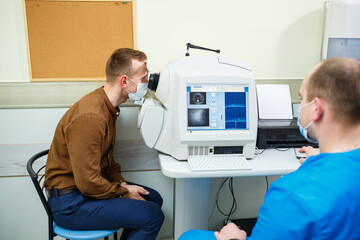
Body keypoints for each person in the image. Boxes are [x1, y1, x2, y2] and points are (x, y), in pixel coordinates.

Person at [182, 57, 360, 240]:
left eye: (302, 98)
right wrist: (324, 157)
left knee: (189, 236)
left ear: (316, 108)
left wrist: (233, 238)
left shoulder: (291, 195)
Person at [43, 48, 164, 240]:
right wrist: (124, 192)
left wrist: (122, 184)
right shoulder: (92, 117)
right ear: (125, 81)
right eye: (143, 78)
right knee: (152, 215)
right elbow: (88, 183)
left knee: (154, 198)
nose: (147, 83)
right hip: (71, 205)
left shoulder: (108, 108)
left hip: (84, 192)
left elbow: (107, 163)